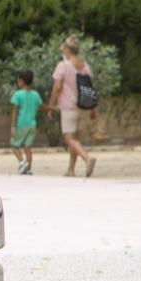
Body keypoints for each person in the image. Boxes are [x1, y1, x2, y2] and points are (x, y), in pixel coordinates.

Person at [47, 36, 97, 177]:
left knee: (68, 138)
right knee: (75, 139)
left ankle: (87, 159)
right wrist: (93, 108)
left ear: (68, 50)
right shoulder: (85, 66)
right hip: (83, 107)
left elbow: (57, 88)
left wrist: (51, 106)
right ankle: (71, 169)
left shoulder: (63, 65)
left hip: (69, 107)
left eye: (64, 49)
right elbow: (90, 88)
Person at [9, 70, 42, 175]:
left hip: (21, 124)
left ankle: (22, 163)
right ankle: (28, 169)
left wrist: (13, 126)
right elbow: (41, 106)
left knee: (14, 146)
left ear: (22, 81)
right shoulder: (35, 94)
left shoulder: (18, 94)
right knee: (28, 147)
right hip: (32, 124)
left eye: (18, 80)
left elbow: (15, 111)